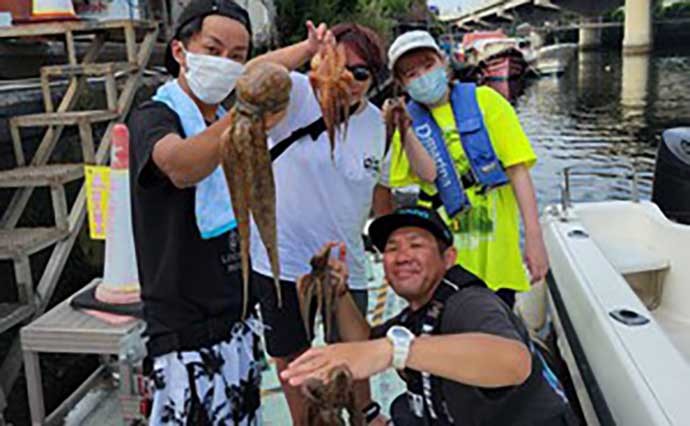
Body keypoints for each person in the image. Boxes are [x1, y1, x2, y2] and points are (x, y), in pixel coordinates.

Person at [127, 1, 291, 423]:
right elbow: (181, 166)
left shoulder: (223, 114)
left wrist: (310, 46)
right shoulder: (154, 116)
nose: (226, 65)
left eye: (237, 57)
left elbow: (266, 69)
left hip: (237, 323)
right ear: (181, 52)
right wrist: (247, 113)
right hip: (184, 337)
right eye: (213, 50)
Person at [281, 206, 576, 426]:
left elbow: (514, 362)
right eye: (391, 248)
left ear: (448, 259)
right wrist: (341, 294)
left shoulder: (469, 302)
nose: (402, 255)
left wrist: (392, 351)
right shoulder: (416, 314)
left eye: (416, 245)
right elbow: (364, 341)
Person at [248, 23, 392, 425]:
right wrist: (306, 47)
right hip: (282, 263)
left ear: (374, 78)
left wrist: (393, 250)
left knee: (354, 352)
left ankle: (365, 416)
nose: (349, 80)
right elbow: (248, 78)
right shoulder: (293, 96)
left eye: (362, 73)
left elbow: (382, 192)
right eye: (340, 66)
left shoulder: (379, 124)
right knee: (292, 357)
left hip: (347, 266)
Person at [383, 30, 549, 308]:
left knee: (495, 331)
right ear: (401, 84)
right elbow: (428, 174)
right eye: (411, 74)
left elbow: (518, 172)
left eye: (428, 65)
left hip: (496, 256)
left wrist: (534, 238)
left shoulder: (488, 102)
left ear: (443, 63)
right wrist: (405, 130)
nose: (423, 76)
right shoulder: (406, 123)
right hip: (443, 262)